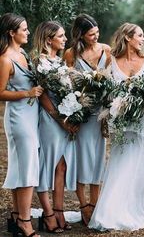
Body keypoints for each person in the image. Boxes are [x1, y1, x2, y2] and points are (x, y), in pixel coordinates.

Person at [88, 22, 144, 231]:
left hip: (141, 121)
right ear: (127, 37)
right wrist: (111, 109)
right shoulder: (111, 61)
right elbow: (105, 93)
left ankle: (134, 207)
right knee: (119, 161)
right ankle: (110, 211)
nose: (143, 40)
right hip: (119, 120)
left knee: (138, 163)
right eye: (140, 35)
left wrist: (140, 101)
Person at [64, 14, 111, 225]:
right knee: (82, 160)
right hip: (82, 115)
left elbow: (111, 79)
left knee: (98, 159)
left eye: (97, 32)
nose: (96, 36)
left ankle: (96, 204)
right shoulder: (71, 54)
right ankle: (83, 206)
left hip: (100, 114)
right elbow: (68, 87)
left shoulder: (106, 50)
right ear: (81, 35)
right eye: (91, 34)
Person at [32, 21, 78, 233]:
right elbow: (43, 98)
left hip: (64, 119)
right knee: (47, 166)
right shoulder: (40, 63)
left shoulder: (59, 62)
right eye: (61, 36)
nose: (65, 39)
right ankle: (48, 214)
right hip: (50, 120)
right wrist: (60, 119)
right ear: (49, 39)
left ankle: (59, 211)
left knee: (62, 166)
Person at [0, 13, 43, 237]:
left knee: (21, 167)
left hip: (30, 115)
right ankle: (26, 222)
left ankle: (17, 217)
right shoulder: (6, 58)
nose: (27, 32)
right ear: (11, 32)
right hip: (18, 118)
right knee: (27, 168)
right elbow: (0, 92)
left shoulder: (23, 53)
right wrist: (28, 92)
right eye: (24, 29)